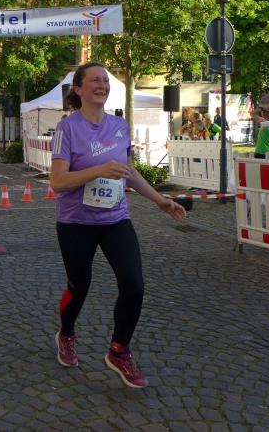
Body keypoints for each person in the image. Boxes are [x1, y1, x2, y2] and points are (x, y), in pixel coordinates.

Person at [49, 62, 186, 389]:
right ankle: (66, 334)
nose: (102, 85)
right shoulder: (67, 129)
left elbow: (128, 172)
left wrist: (160, 200)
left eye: (106, 80)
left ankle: (119, 350)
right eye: (95, 80)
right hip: (76, 222)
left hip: (115, 219)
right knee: (79, 287)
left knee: (134, 284)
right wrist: (98, 170)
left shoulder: (120, 126)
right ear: (79, 89)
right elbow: (58, 181)